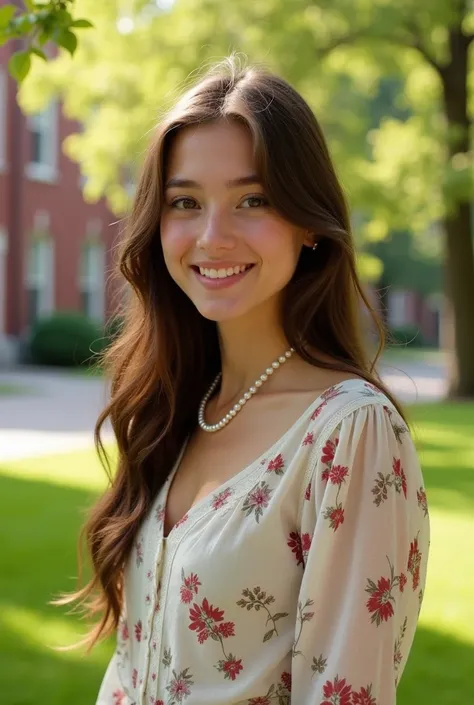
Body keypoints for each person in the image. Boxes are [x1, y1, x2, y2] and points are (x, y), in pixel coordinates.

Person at [69, 57, 430, 705]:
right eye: (185, 202)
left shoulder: (349, 433)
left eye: (252, 199)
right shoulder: (175, 405)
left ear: (309, 223)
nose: (212, 236)